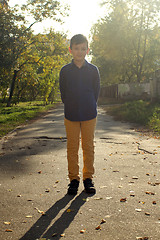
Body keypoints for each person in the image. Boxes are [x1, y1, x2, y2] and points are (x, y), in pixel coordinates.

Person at [59, 34, 100, 195]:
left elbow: (96, 92)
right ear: (71, 50)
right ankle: (73, 180)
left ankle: (88, 178)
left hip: (90, 113)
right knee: (72, 147)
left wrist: (89, 103)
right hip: (71, 114)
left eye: (83, 48)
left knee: (88, 146)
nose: (79, 52)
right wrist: (70, 103)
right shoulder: (65, 71)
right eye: (76, 48)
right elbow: (63, 92)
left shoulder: (93, 70)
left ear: (87, 50)